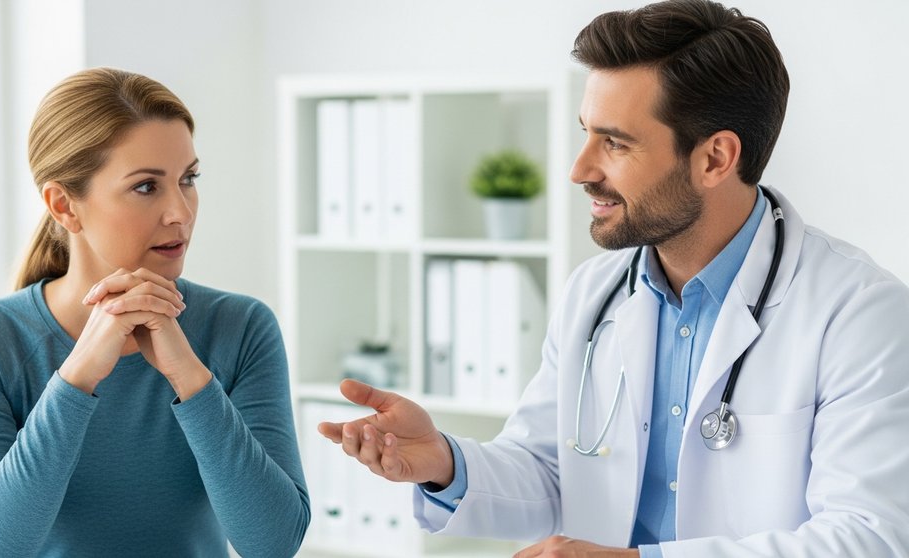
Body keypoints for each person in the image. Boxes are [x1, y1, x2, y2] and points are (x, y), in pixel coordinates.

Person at [318, 1, 909, 556]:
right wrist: (444, 464)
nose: (579, 169)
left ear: (715, 159)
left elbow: (867, 537)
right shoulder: (593, 294)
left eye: (616, 143)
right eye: (586, 133)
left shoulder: (858, 312)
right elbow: (550, 473)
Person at [0, 67, 309, 557]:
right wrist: (77, 378)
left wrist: (191, 379)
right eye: (146, 187)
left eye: (188, 179)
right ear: (64, 205)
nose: (181, 211)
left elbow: (273, 544)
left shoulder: (240, 328)